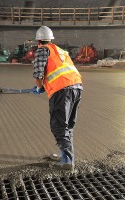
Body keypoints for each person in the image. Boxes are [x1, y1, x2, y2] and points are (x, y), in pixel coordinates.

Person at [32, 26, 83, 171]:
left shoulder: (42, 50)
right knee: (68, 125)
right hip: (77, 87)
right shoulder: (60, 50)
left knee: (58, 125)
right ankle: (65, 156)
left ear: (38, 41)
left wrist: (39, 87)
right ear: (51, 39)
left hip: (62, 90)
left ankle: (67, 161)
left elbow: (38, 73)